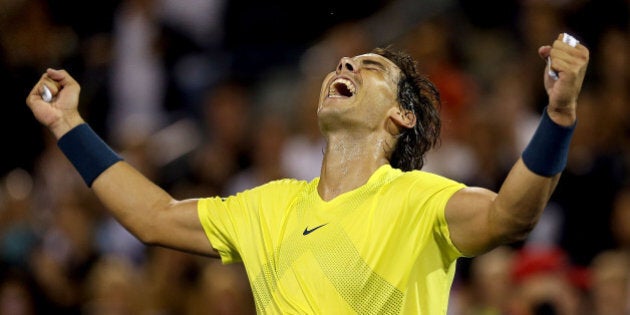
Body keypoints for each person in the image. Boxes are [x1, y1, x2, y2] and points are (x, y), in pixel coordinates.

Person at [25, 33, 589, 314]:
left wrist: (558, 116)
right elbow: (152, 217)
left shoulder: (421, 200)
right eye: (345, 62)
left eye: (371, 68)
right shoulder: (267, 207)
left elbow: (510, 215)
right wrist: (70, 125)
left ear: (401, 114)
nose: (345, 65)